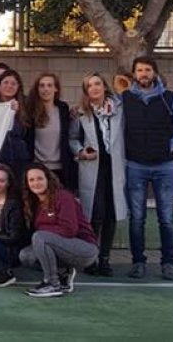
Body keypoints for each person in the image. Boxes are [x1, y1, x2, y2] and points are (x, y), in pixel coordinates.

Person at [121, 56, 173, 281]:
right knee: (137, 218)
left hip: (165, 167)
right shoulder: (125, 99)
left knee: (166, 218)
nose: (144, 74)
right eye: (139, 70)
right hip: (135, 165)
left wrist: (170, 146)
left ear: (155, 73)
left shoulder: (170, 98)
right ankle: (138, 262)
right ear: (134, 74)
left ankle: (167, 263)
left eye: (148, 70)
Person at [69, 73, 125, 277]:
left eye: (97, 84)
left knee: (111, 214)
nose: (94, 88)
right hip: (93, 168)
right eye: (89, 86)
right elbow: (72, 138)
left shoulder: (119, 109)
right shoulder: (80, 113)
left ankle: (105, 259)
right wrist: (81, 152)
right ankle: (90, 258)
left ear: (104, 86)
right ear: (86, 91)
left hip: (114, 167)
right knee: (94, 214)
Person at [18, 164, 98, 297]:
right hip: (61, 247)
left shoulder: (63, 197)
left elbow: (69, 229)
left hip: (84, 249)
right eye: (31, 180)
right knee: (26, 256)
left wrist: (42, 233)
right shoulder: (35, 203)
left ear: (48, 179)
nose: (36, 183)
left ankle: (52, 284)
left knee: (40, 237)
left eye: (39, 178)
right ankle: (63, 275)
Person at [23, 73, 76, 189]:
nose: (46, 89)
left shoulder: (63, 109)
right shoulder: (29, 110)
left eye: (49, 85)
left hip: (61, 169)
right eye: (42, 86)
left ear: (56, 89)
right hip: (37, 169)